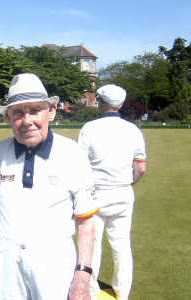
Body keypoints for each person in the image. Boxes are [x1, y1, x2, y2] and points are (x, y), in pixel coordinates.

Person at [0, 73, 98, 300]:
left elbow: (86, 222)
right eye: (17, 113)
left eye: (35, 110)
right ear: (8, 117)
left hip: (54, 261)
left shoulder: (73, 154)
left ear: (52, 111)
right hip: (4, 262)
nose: (27, 121)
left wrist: (83, 276)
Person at [78, 84, 147, 300]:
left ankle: (91, 290)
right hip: (123, 192)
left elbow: (79, 165)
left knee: (92, 244)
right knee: (122, 245)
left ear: (101, 102)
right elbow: (141, 168)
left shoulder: (89, 128)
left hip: (95, 193)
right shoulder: (133, 130)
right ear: (121, 104)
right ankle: (122, 292)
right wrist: (128, 182)